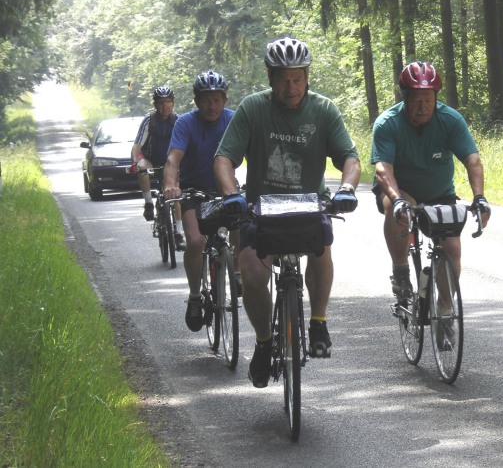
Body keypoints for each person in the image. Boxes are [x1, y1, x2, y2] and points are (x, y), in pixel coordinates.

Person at [214, 36, 360, 388]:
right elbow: (224, 159)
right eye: (282, 79)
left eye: (297, 78)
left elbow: (349, 158)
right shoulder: (253, 109)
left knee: (321, 246)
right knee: (250, 269)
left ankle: (319, 321)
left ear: (307, 77)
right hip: (262, 209)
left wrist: (347, 188)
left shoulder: (324, 110)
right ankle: (264, 343)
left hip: (310, 205)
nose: (290, 86)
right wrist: (232, 194)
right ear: (270, 78)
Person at [370, 61, 491, 302]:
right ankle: (401, 271)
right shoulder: (388, 123)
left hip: (440, 194)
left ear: (436, 97)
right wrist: (395, 200)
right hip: (401, 190)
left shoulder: (450, 120)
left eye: (428, 99)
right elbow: (383, 169)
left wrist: (480, 198)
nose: (422, 106)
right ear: (405, 98)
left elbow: (473, 160)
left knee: (452, 247)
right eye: (416, 99)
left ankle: (445, 312)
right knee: (398, 211)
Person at [163, 71, 238, 332]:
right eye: (206, 100)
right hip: (193, 192)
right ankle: (195, 296)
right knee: (196, 241)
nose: (212, 106)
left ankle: (237, 274)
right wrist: (172, 185)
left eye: (217, 100)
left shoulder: (233, 120)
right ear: (197, 101)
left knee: (243, 224)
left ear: (225, 100)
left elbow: (253, 150)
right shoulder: (185, 123)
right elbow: (173, 159)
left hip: (225, 190)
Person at [131, 86, 185, 249]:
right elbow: (137, 146)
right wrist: (135, 161)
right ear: (155, 105)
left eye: (168, 103)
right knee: (142, 168)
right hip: (151, 159)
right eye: (161, 103)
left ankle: (179, 232)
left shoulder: (178, 120)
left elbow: (186, 145)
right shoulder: (149, 121)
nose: (165, 107)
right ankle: (148, 203)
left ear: (173, 103)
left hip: (171, 162)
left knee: (175, 193)